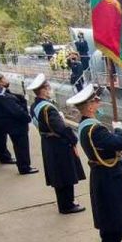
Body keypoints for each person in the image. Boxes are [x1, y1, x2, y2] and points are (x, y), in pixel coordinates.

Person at [68, 84, 122, 242]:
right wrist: (119, 130)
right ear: (90, 107)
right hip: (109, 176)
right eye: (95, 101)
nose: (98, 102)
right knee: (115, 214)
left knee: (107, 214)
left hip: (102, 173)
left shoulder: (84, 125)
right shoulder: (96, 129)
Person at [27, 73, 86, 214]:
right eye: (48, 87)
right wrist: (73, 139)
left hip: (48, 143)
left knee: (58, 175)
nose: (50, 89)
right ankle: (67, 205)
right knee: (65, 174)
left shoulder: (35, 105)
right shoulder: (48, 108)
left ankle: (64, 203)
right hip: (59, 145)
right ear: (43, 90)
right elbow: (61, 128)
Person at [0, 70, 38, 175]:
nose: (7, 79)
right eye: (4, 78)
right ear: (0, 82)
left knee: (19, 146)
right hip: (16, 126)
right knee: (21, 146)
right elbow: (17, 111)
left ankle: (23, 165)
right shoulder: (3, 96)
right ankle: (24, 167)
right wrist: (27, 117)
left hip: (10, 124)